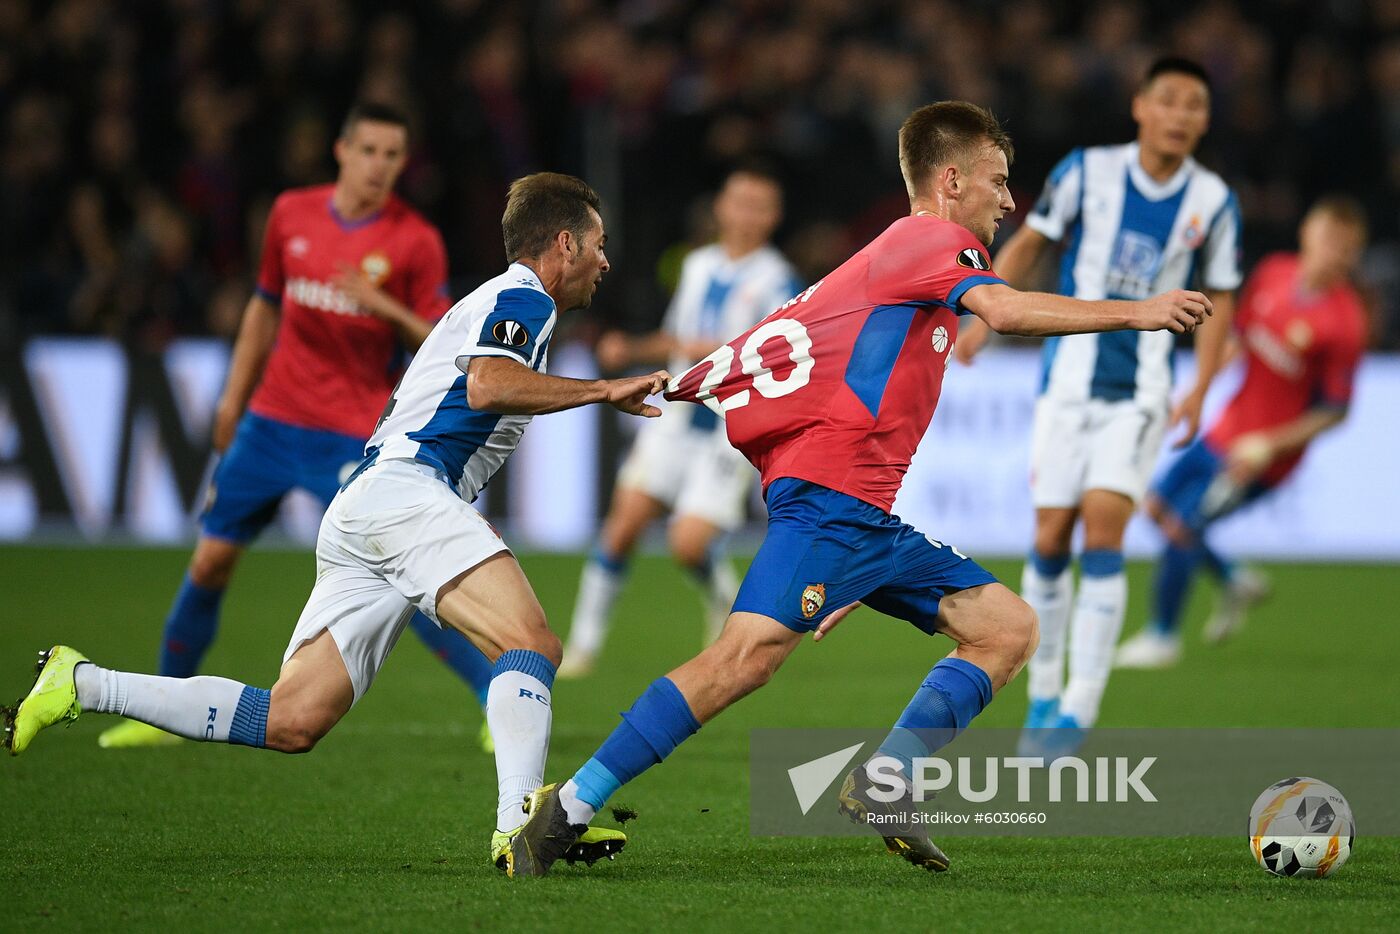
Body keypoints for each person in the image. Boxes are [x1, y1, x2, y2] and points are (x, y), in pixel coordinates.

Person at [502, 101, 1212, 877]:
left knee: (1007, 628)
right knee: (742, 660)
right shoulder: (932, 240)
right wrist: (1139, 312)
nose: (1010, 201)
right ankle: (564, 810)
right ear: (950, 181)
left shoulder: (901, 257)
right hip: (835, 504)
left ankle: (888, 782)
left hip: (861, 518)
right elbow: (1004, 314)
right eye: (999, 181)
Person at [5, 172, 669, 873]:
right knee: (529, 642)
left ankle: (81, 683)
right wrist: (601, 390)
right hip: (406, 493)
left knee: (291, 720)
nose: (605, 260)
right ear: (563, 242)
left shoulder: (503, 302)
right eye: (598, 244)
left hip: (368, 507)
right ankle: (522, 827)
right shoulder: (523, 297)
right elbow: (486, 384)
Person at [98, 102, 499, 751]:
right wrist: (234, 398)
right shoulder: (292, 214)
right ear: (342, 150)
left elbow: (442, 339)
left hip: (354, 427)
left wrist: (381, 306)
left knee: (403, 577)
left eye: (392, 155)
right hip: (272, 419)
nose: (379, 165)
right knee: (211, 560)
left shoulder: (414, 241)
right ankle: (161, 705)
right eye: (368, 150)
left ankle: (491, 699)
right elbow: (264, 307)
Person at [955, 58, 1241, 754]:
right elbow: (1033, 242)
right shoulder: (1088, 171)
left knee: (1104, 531)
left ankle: (1078, 709)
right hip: (1066, 380)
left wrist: (1201, 385)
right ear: (1140, 106)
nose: (1180, 115)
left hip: (1141, 389)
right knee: (1051, 538)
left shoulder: (1213, 199)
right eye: (1168, 100)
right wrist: (980, 314)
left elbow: (1223, 293)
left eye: (1194, 105)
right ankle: (1044, 692)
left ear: (1204, 120)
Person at [560, 166, 801, 677]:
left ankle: (723, 597)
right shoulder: (697, 265)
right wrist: (646, 348)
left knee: (687, 543)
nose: (746, 213)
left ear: (774, 217)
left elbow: (740, 350)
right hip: (674, 420)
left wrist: (635, 346)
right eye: (739, 201)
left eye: (759, 205)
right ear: (721, 207)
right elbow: (679, 336)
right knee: (620, 529)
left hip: (727, 432)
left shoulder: (778, 279)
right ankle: (580, 649)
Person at [1117, 196, 1368, 665]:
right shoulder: (1274, 272)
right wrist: (1198, 390)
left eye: (1345, 246)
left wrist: (1267, 445)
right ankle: (1232, 579)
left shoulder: (1345, 323)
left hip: (1263, 459)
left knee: (1185, 527)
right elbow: (1240, 339)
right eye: (1328, 237)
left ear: (1353, 255)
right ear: (1307, 233)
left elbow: (1336, 410)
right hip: (1225, 429)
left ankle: (1162, 636)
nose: (1333, 251)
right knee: (1154, 505)